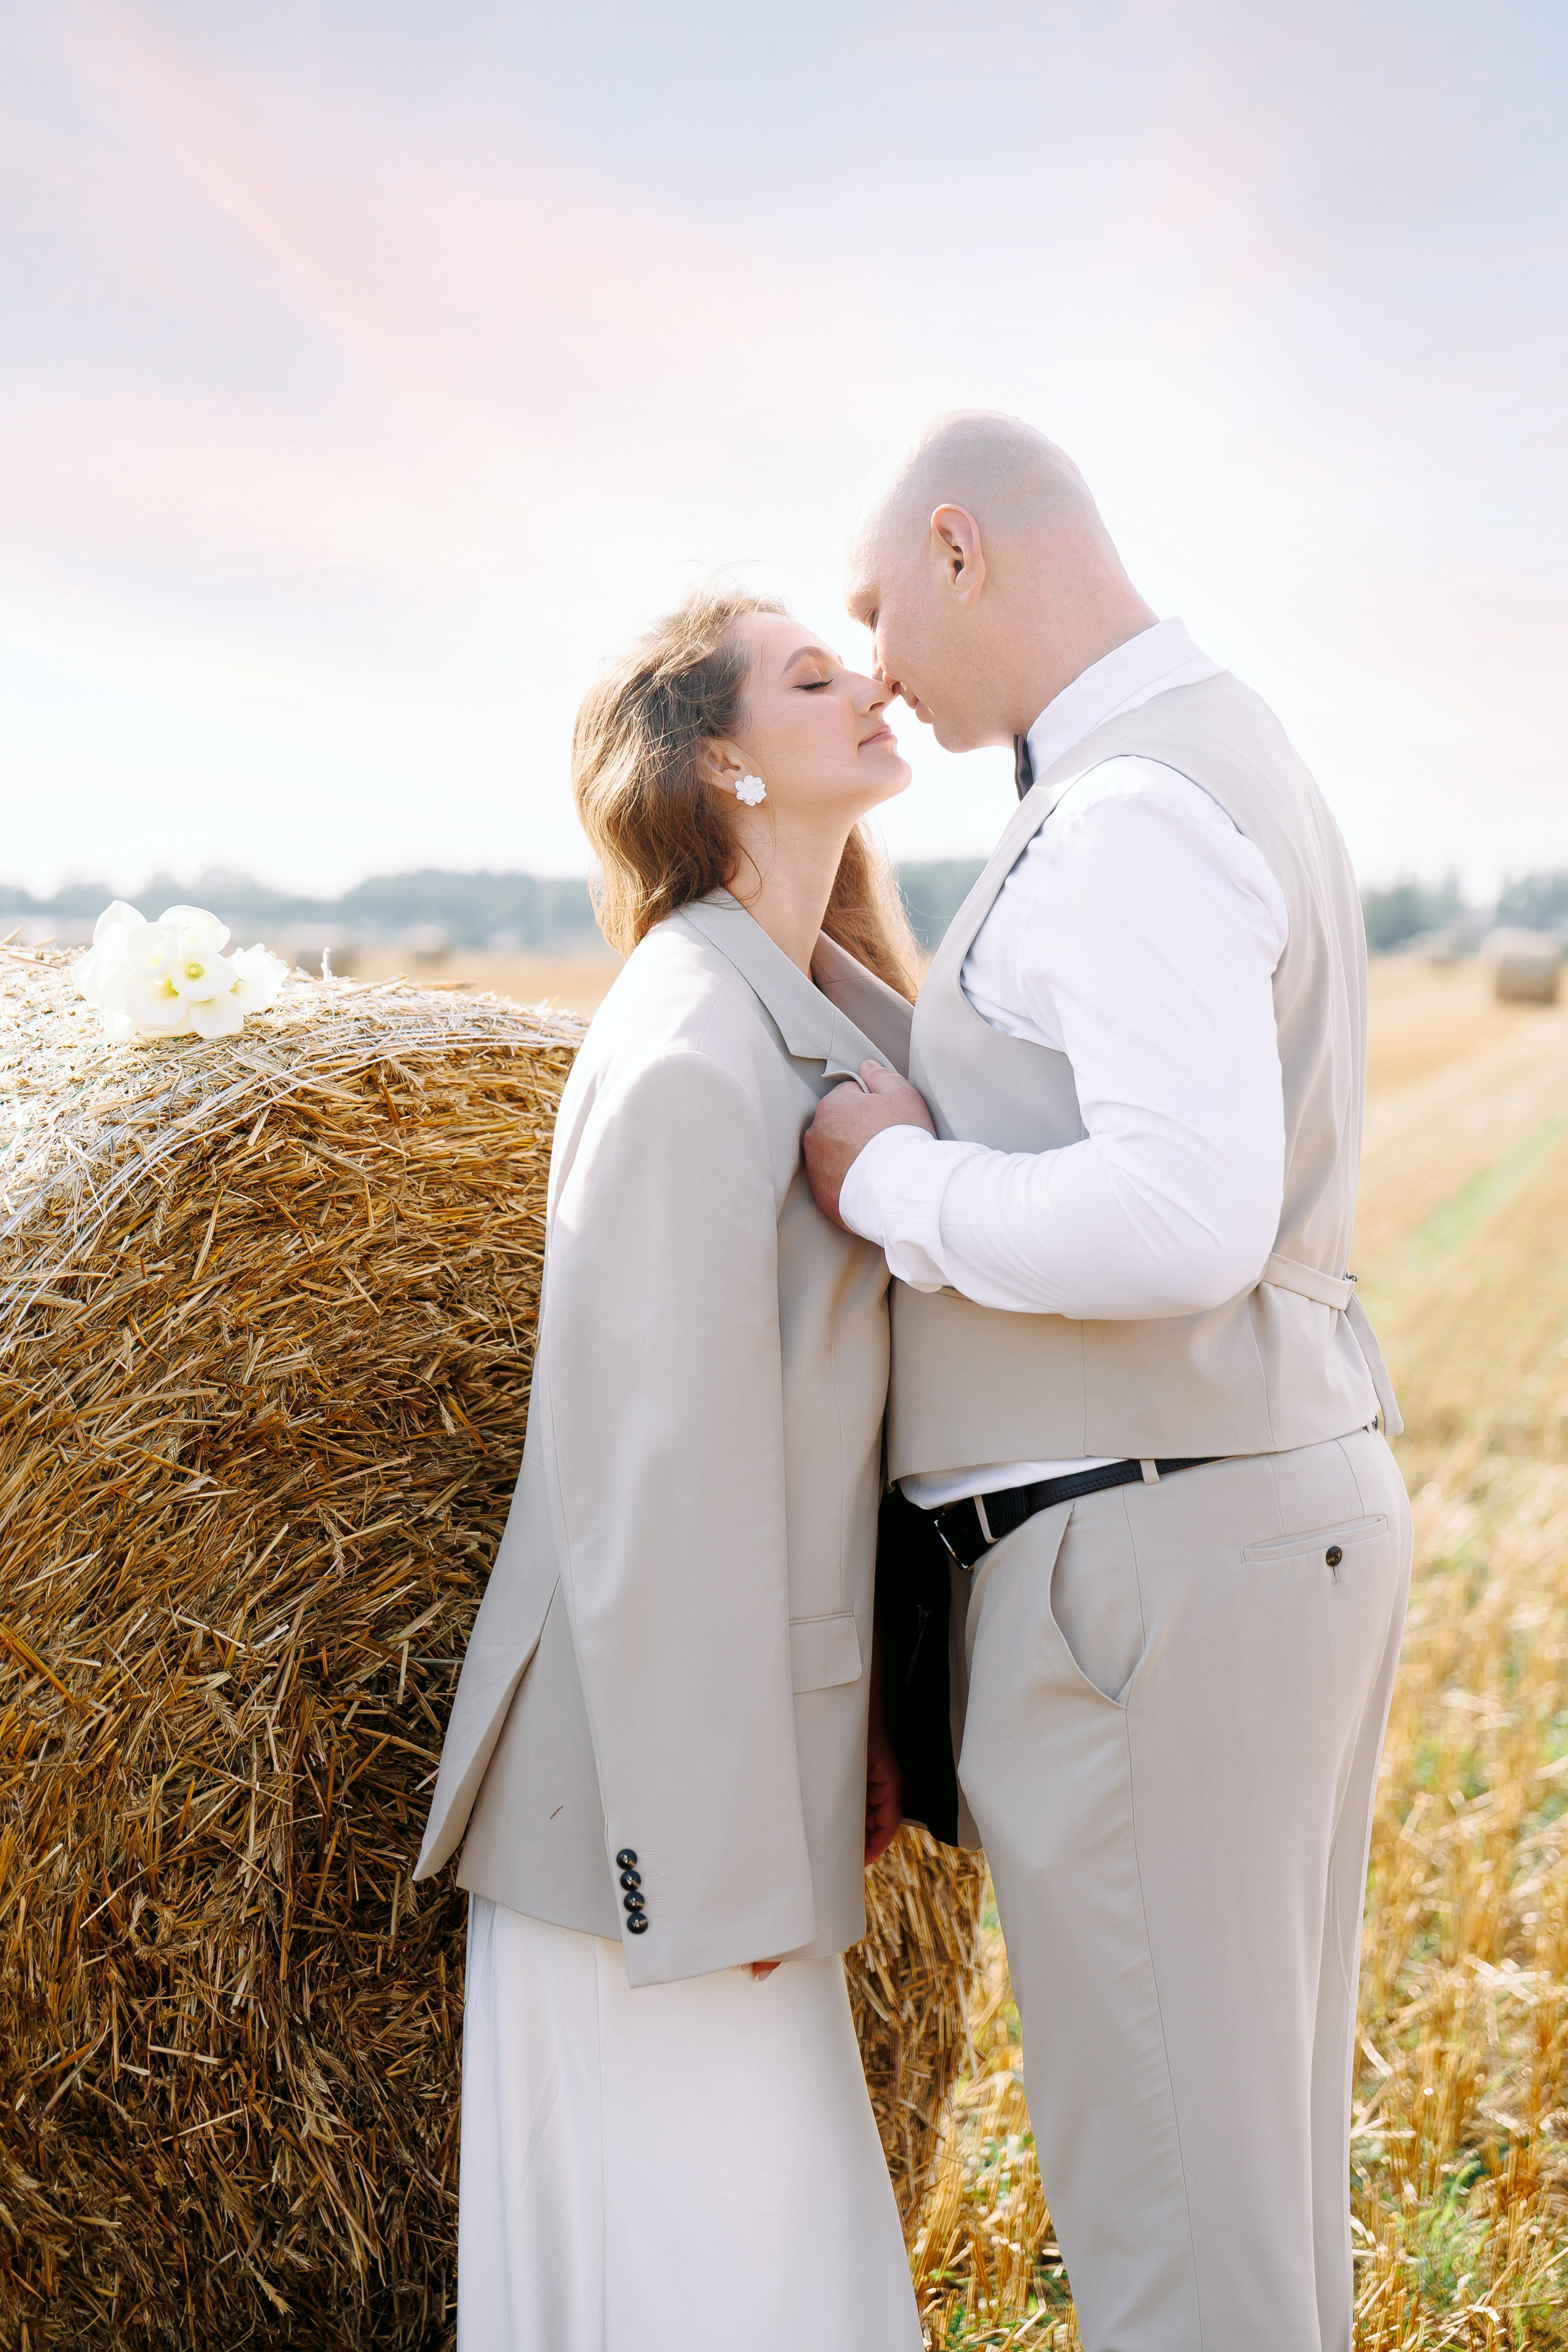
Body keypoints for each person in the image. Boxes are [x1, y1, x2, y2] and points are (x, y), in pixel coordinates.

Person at [804, 412, 1413, 2352]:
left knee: (1180, 2251)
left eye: (878, 607)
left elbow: (1177, 1216)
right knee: (1243, 2217)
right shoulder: (1204, 753)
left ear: (962, 547)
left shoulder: (1129, 810)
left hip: (1156, 1570)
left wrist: (886, 1181)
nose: (877, 664)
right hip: (1236, 1525)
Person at [414, 586, 924, 2352]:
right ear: (721, 762)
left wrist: (852, 1721)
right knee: (726, 2279)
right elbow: (658, 1485)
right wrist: (718, 1851)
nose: (871, 682)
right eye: (813, 676)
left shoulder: (801, 1012)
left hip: (727, 1786)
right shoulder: (697, 1041)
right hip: (653, 1825)